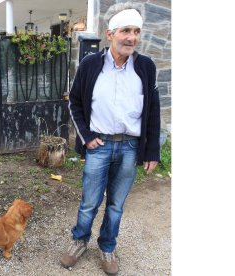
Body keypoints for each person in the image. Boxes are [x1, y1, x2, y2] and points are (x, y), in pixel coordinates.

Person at [60, 2, 160, 275]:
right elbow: (76, 103)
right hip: (99, 145)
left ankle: (107, 245)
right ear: (110, 34)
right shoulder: (90, 65)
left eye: (137, 31)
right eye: (126, 30)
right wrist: (87, 137)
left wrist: (152, 151)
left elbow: (153, 110)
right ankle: (79, 240)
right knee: (90, 201)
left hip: (130, 146)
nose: (132, 37)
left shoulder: (146, 67)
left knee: (116, 204)